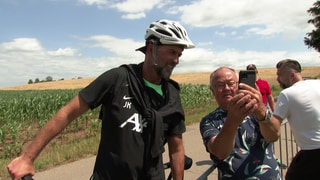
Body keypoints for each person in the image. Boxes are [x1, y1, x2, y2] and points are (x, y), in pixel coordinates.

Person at [7, 19, 195, 180]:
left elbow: (176, 147)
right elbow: (67, 113)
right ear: (151, 48)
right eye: (172, 52)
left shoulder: (172, 93)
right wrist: (27, 158)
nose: (176, 60)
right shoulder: (118, 79)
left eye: (179, 54)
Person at [200, 67, 282, 179]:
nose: (226, 88)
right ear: (212, 90)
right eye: (220, 85)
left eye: (231, 83)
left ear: (238, 85)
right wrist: (232, 120)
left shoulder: (257, 109)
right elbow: (220, 152)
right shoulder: (209, 121)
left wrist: (262, 113)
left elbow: (273, 136)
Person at [273, 59, 320, 180]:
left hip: (312, 152)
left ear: (292, 75)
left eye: (280, 75)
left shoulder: (287, 94)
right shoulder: (318, 83)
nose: (277, 79)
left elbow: (274, 125)